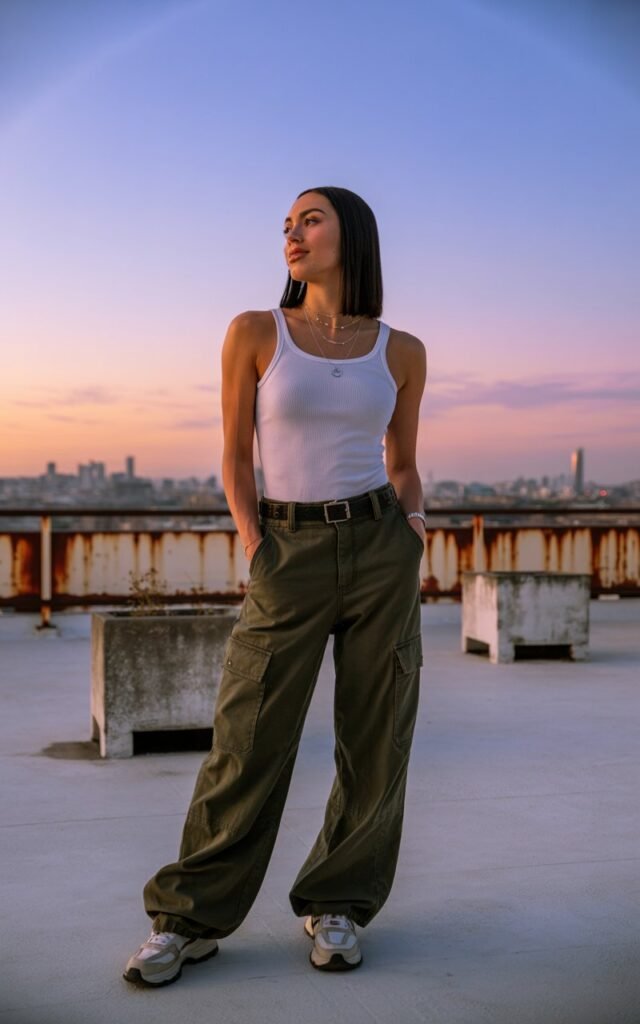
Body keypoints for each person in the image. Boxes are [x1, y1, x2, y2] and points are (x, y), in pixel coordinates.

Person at [124, 185, 427, 986]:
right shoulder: (256, 333)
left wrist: (414, 527)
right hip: (285, 550)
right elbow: (235, 454)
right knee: (247, 736)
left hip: (379, 547)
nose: (292, 234)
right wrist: (256, 542)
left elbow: (402, 460)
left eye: (310, 219)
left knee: (376, 732)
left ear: (350, 234)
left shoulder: (401, 350)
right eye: (286, 225)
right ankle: (188, 918)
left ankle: (339, 902)